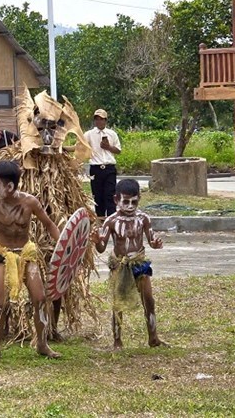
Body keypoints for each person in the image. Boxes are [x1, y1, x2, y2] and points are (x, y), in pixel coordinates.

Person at [0, 161, 62, 361]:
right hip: (2, 254)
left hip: (26, 253)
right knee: (1, 302)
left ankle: (42, 344)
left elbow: (49, 224)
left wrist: (63, 246)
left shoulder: (30, 202)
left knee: (40, 298)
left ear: (9, 186)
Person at [92, 178, 167, 350]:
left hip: (139, 263)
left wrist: (156, 243)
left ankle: (153, 337)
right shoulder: (111, 221)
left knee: (148, 299)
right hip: (120, 265)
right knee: (118, 304)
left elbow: (151, 239)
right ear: (116, 200)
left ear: (139, 199)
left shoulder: (143, 219)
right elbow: (102, 248)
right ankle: (117, 341)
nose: (130, 206)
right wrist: (96, 241)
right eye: (125, 202)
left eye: (134, 201)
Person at [83, 109, 121, 219]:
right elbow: (81, 146)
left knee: (110, 195)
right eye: (97, 119)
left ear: (106, 121)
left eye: (102, 119)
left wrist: (108, 147)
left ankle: (111, 220)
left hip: (109, 168)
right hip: (96, 168)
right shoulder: (89, 134)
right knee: (98, 197)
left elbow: (118, 150)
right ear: (94, 121)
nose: (99, 122)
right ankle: (101, 220)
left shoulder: (112, 134)